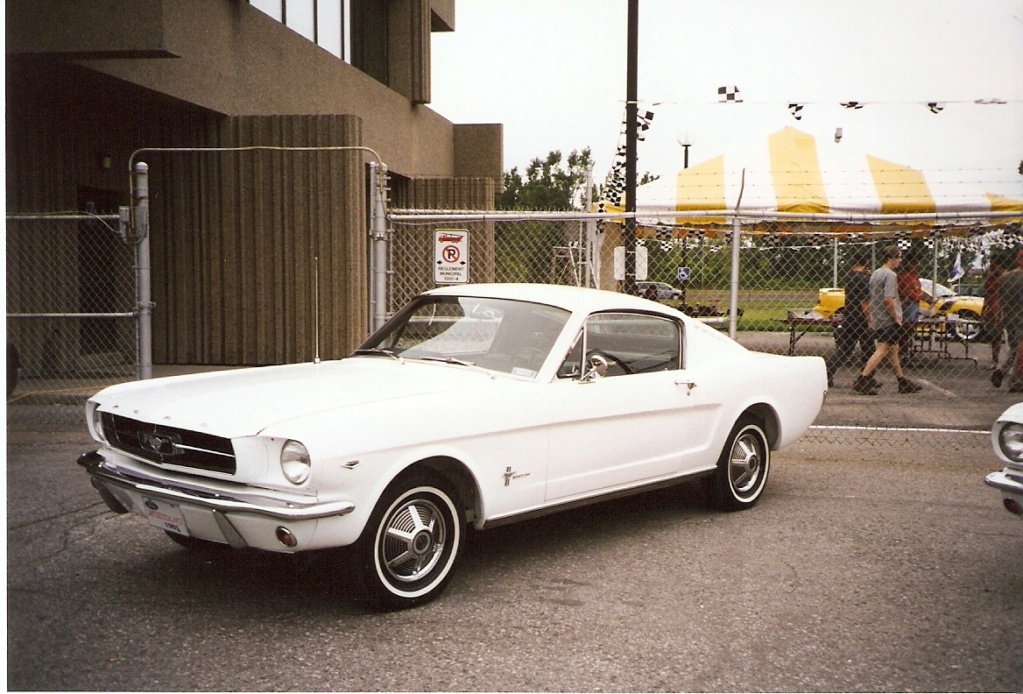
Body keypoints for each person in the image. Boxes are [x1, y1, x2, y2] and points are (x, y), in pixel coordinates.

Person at [853, 245, 922, 395]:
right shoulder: (891, 275)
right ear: (891, 258)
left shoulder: (876, 273)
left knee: (893, 349)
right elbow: (888, 299)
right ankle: (863, 378)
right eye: (898, 257)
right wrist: (896, 318)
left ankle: (901, 381)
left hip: (878, 316)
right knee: (883, 349)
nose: (900, 260)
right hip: (888, 319)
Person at [826, 250, 875, 388]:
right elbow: (864, 302)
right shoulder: (864, 280)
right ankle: (867, 377)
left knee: (845, 348)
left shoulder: (849, 276)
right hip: (861, 318)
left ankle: (828, 372)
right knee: (869, 349)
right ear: (865, 262)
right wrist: (870, 320)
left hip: (849, 315)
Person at [996, 248, 1023, 393]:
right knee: (1019, 350)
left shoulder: (1004, 278)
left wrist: (999, 316)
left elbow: (1000, 299)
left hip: (1007, 317)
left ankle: (1002, 370)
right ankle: (1014, 380)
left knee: (1014, 347)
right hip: (1021, 318)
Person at [983, 253, 1008, 385]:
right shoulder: (991, 278)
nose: (991, 266)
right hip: (992, 310)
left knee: (1010, 338)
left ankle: (1006, 363)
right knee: (994, 336)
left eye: (993, 263)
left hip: (1005, 310)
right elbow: (986, 295)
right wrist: (984, 310)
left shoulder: (1007, 277)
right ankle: (995, 359)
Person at [896, 253, 924, 360]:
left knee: (911, 327)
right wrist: (917, 296)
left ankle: (906, 350)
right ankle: (902, 351)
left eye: (917, 263)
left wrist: (920, 296)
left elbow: (918, 290)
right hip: (907, 304)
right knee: (905, 327)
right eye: (913, 263)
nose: (916, 265)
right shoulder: (903, 276)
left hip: (914, 304)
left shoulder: (914, 276)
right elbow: (905, 291)